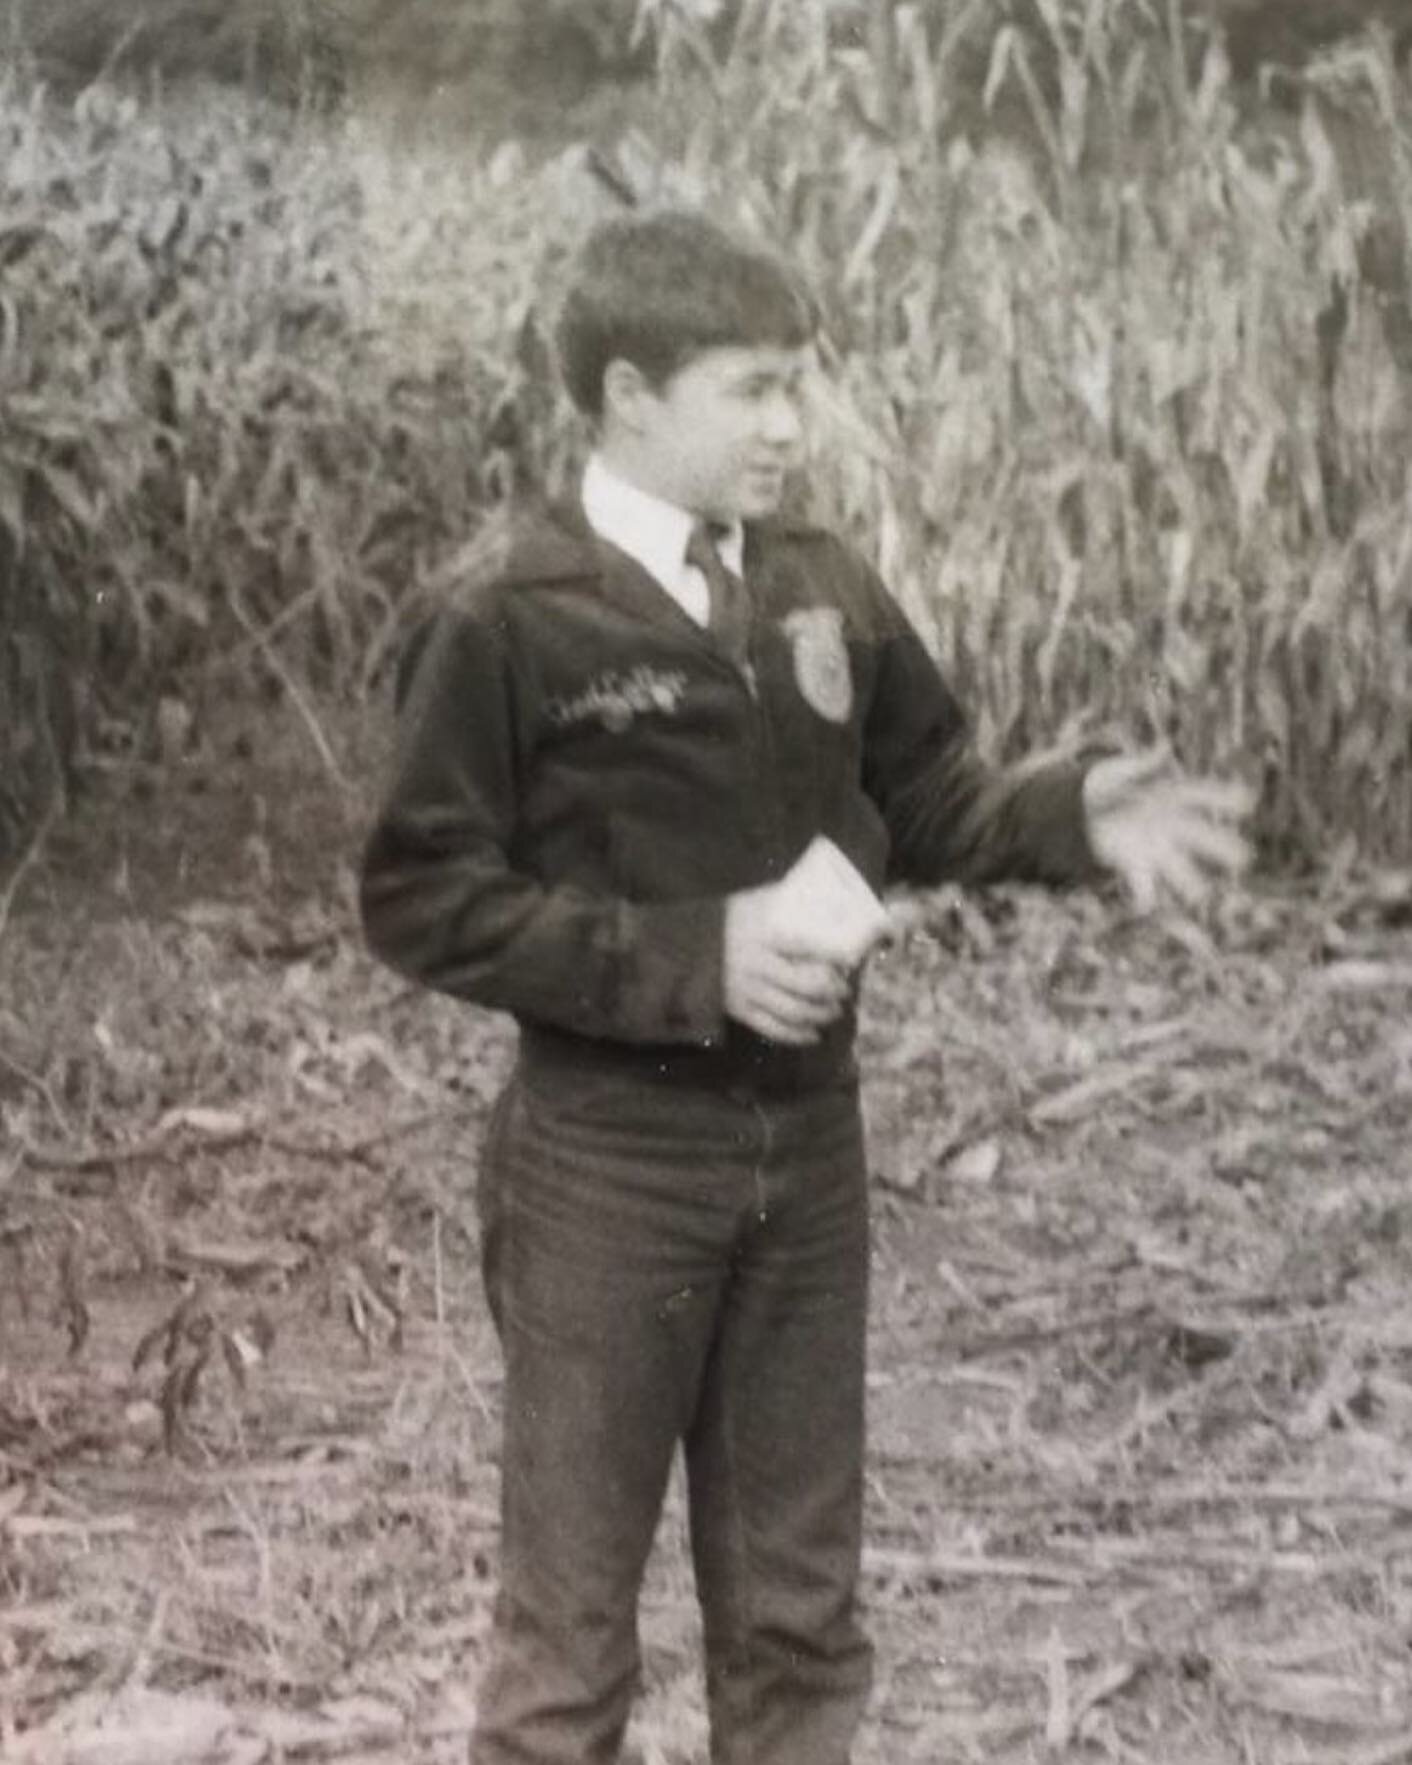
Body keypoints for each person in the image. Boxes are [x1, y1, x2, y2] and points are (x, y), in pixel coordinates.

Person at [358, 208, 1249, 1765]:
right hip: (606, 1171)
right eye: (753, 389)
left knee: (797, 1623)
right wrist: (700, 957)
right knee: (567, 1650)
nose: (790, 424)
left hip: (809, 1163)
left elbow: (924, 797)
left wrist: (1070, 810)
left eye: (798, 386)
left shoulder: (820, 582)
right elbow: (423, 895)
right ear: (631, 396)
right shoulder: (506, 613)